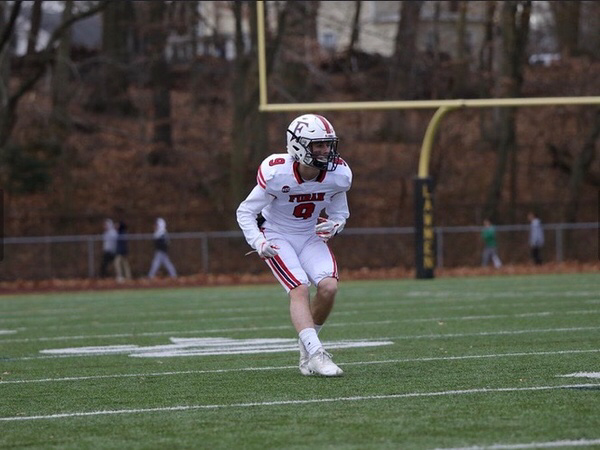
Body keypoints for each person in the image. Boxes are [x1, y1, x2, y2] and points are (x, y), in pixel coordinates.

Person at [236, 113, 352, 377]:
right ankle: (317, 353)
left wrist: (335, 225)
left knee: (329, 287)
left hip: (310, 235)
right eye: (318, 145)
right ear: (298, 145)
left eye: (328, 144)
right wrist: (258, 241)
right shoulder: (278, 172)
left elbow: (339, 214)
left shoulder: (337, 175)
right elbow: (245, 211)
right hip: (277, 234)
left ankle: (306, 346)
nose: (325, 151)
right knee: (299, 287)